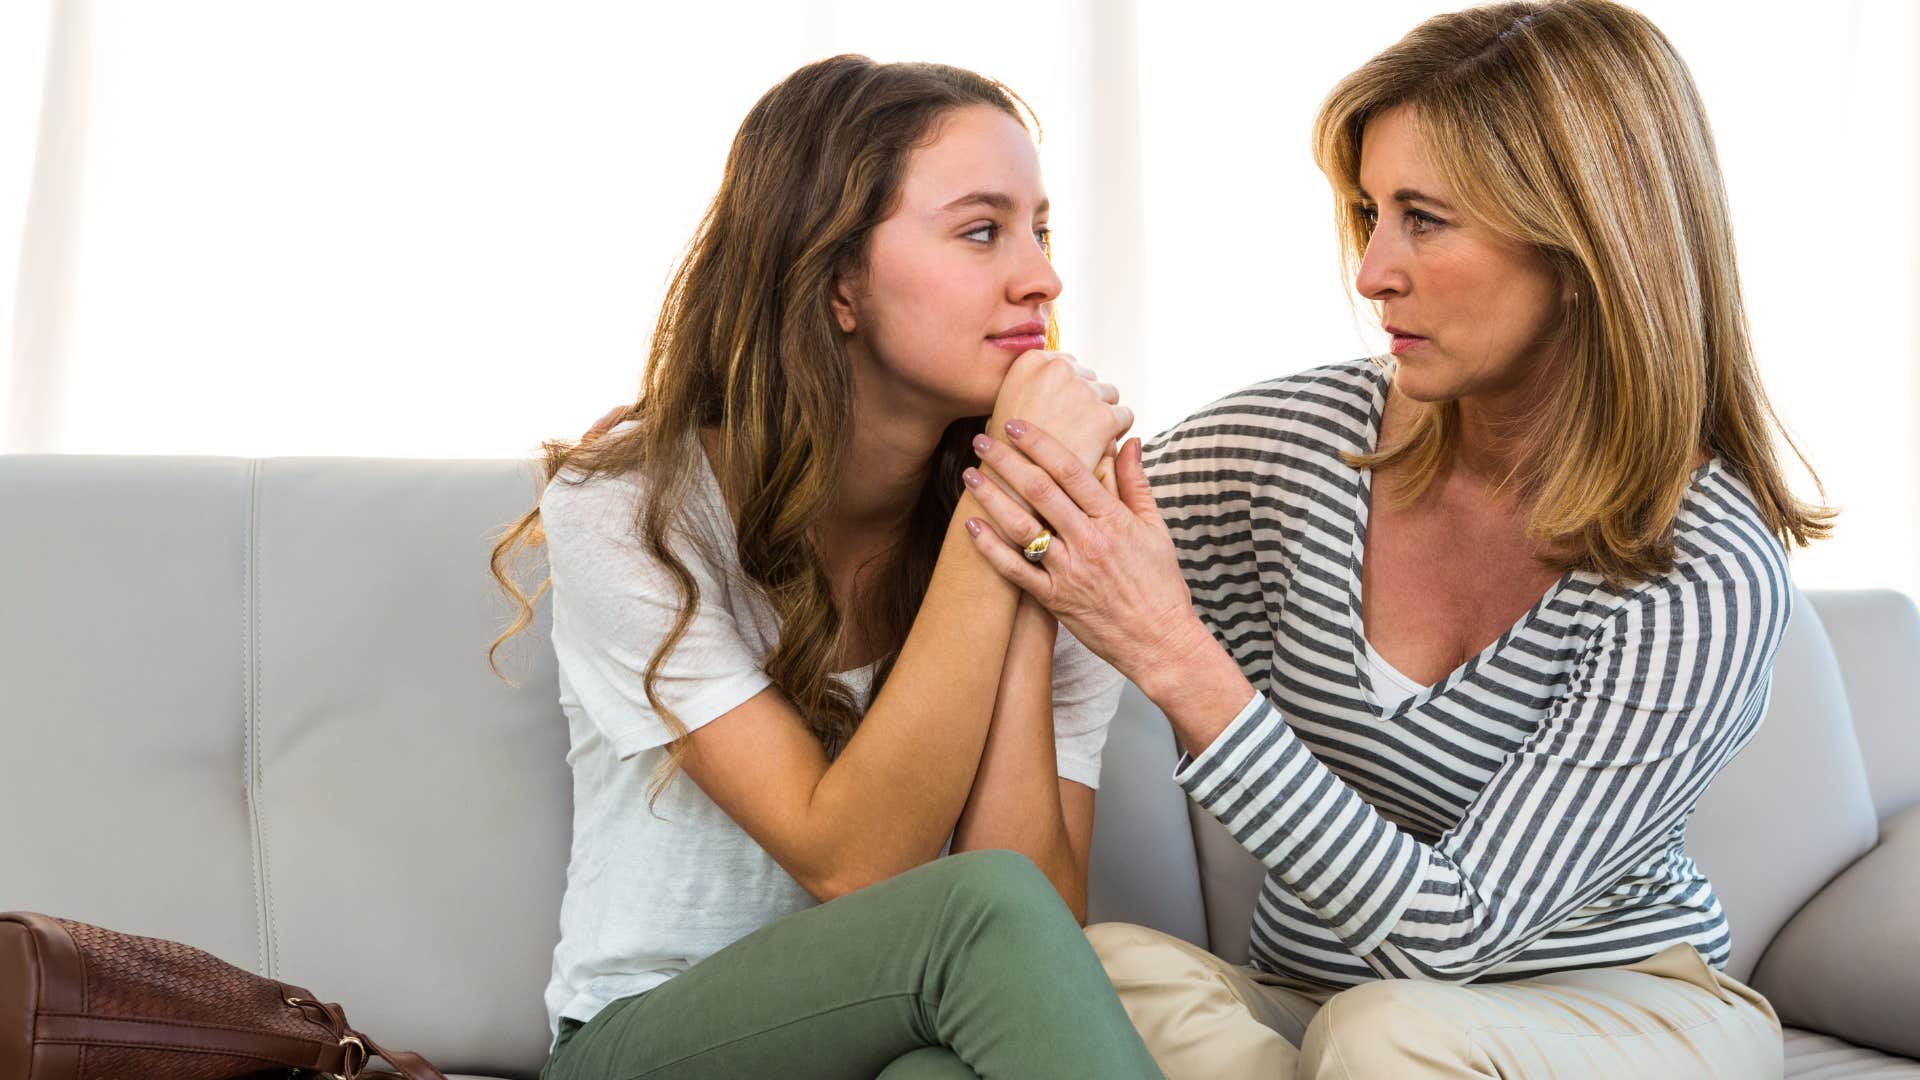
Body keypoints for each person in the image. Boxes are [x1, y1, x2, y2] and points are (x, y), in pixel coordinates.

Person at [959, 1, 1832, 1076]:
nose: (1371, 272)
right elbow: (1046, 509)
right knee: (1092, 970)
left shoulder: (1705, 565)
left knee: (1389, 1033)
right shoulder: (1301, 448)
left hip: (1617, 1011)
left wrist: (1174, 656)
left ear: (1585, 245)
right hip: (1322, 1005)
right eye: (1370, 213)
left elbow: (1451, 935)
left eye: (1424, 217)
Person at [488, 55, 1163, 1080]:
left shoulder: (1050, 513)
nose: (1042, 276)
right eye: (982, 230)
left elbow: (1038, 905)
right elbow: (857, 861)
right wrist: (1007, 509)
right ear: (838, 281)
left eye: (1041, 228)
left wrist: (1032, 557)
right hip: (647, 1047)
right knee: (971, 917)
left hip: (901, 1041)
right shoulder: (633, 506)